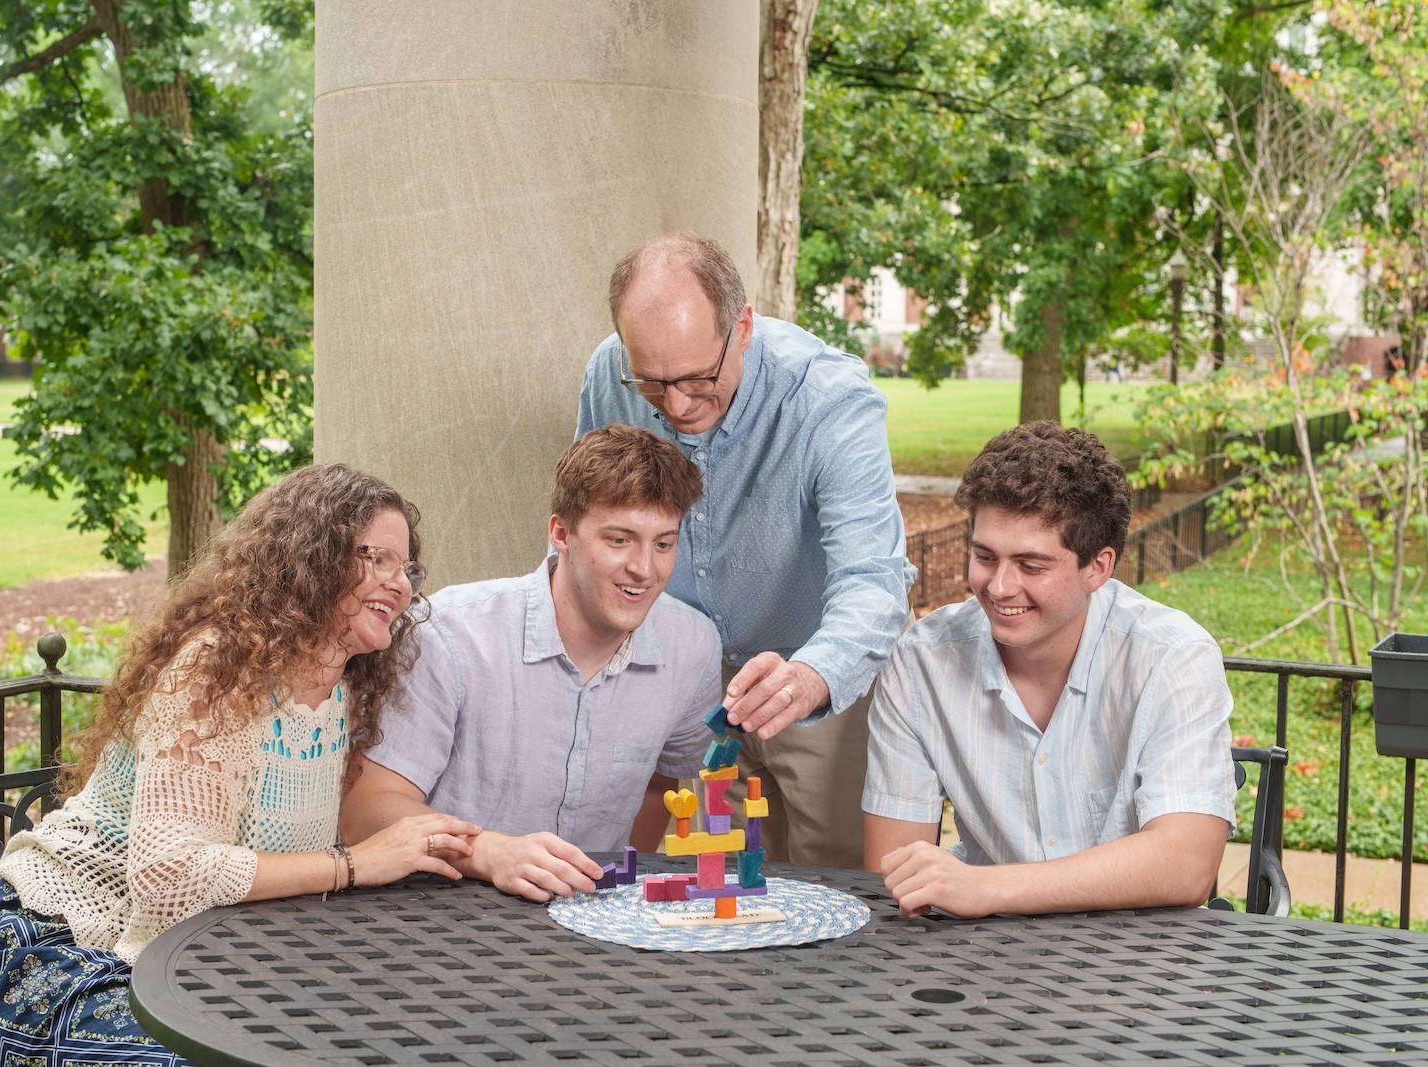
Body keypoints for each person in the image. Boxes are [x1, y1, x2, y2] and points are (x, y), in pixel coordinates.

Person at [0, 465, 479, 1067]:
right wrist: (354, 865)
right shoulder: (218, 669)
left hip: (193, 968)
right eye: (377, 558)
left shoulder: (343, 694)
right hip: (55, 946)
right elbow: (170, 876)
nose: (401, 584)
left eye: (407, 568)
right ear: (311, 559)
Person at [575, 232, 915, 869]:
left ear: (744, 327)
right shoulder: (609, 372)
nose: (676, 406)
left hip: (820, 674)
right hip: (688, 682)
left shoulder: (827, 399)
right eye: (652, 382)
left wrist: (810, 679)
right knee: (712, 887)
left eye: (699, 378)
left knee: (832, 882)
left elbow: (874, 579)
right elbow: (590, 519)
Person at [862, 422, 1236, 917]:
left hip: (1143, 960)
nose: (999, 586)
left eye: (1031, 566)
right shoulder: (920, 663)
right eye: (984, 556)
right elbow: (891, 870)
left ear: (1098, 567)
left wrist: (989, 888)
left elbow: (1186, 865)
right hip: (984, 959)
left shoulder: (1172, 656)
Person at [342, 424, 722, 902]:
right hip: (439, 907)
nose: (644, 569)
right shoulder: (449, 633)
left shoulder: (694, 646)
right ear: (561, 533)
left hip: (594, 921)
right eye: (620, 540)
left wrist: (604, 894)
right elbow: (365, 808)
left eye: (663, 544)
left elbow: (660, 786)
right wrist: (490, 852)